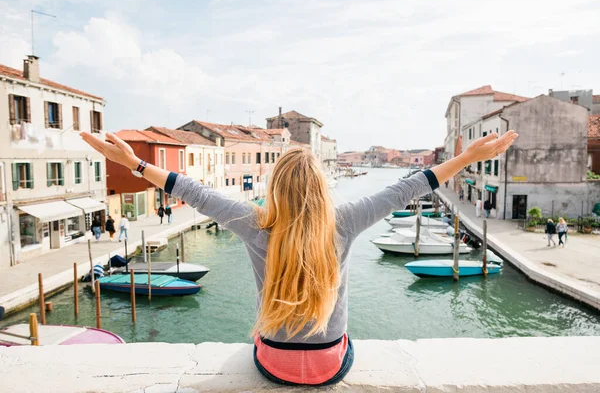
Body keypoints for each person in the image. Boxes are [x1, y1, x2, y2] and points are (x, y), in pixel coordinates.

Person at [80, 129, 517, 387]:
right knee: (348, 340)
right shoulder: (345, 220)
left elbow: (194, 192)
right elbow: (407, 188)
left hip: (271, 360)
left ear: (276, 187)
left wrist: (136, 164)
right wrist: (468, 157)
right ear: (321, 186)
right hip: (331, 363)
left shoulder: (253, 222)